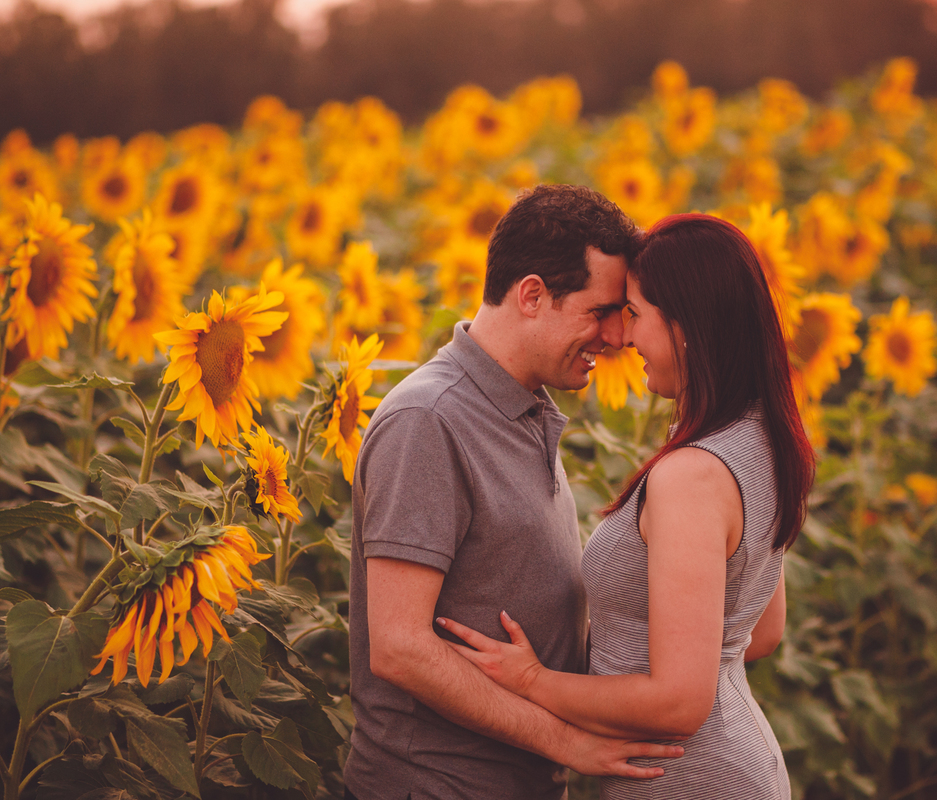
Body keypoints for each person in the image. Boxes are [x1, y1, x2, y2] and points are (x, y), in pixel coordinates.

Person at [440, 213, 815, 799]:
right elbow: (760, 632)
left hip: (690, 781)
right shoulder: (760, 440)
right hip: (738, 764)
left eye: (635, 313)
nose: (622, 336)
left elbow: (678, 704)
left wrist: (535, 681)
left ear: (687, 324)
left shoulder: (692, 476)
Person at [343, 184, 685, 800]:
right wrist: (565, 741)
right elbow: (398, 648)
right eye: (600, 311)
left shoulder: (521, 408)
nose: (615, 337)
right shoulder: (429, 420)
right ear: (531, 295)